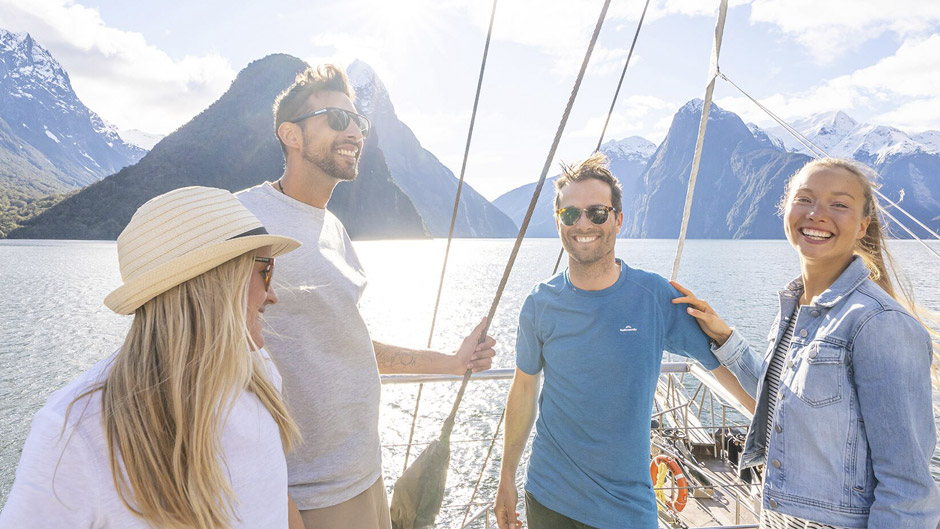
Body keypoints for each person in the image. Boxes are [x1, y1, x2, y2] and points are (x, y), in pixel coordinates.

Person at [236, 64, 496, 529]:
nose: (353, 130)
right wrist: (276, 499)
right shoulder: (243, 220)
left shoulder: (334, 229)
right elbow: (209, 364)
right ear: (291, 135)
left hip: (362, 475)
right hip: (303, 494)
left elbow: (349, 347)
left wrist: (451, 363)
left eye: (359, 121)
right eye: (336, 118)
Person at [0, 186, 306, 529]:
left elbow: (278, 500)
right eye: (266, 271)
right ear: (213, 282)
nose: (273, 294)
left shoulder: (258, 371)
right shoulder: (74, 431)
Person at [673, 158, 940, 529]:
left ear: (863, 225)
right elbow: (781, 403)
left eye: (839, 204)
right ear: (785, 210)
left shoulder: (879, 323)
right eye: (805, 199)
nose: (817, 214)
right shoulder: (797, 308)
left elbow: (909, 487)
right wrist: (722, 336)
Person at [493, 152, 754, 529]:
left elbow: (720, 367)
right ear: (558, 222)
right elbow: (523, 390)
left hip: (628, 509)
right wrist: (506, 479)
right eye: (571, 214)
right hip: (550, 499)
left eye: (597, 213)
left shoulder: (655, 296)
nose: (584, 223)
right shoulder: (539, 303)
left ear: (618, 219)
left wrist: (779, 429)